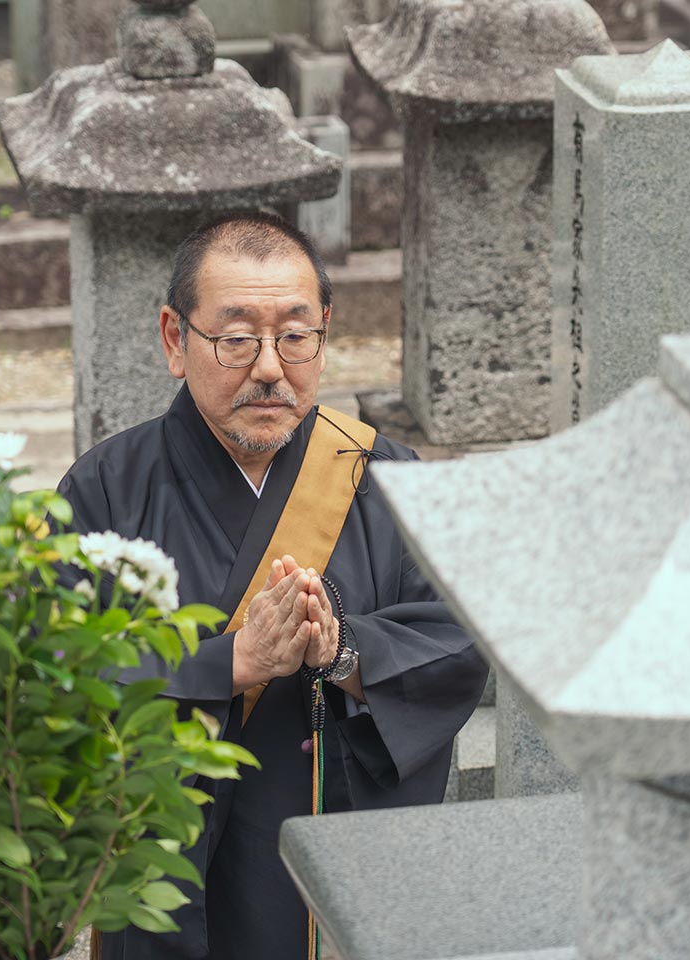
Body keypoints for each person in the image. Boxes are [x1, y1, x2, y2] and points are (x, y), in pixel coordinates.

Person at [55, 212, 489, 960]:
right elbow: (57, 677)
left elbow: (457, 646)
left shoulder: (384, 477)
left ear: (324, 332)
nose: (268, 367)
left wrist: (345, 652)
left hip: (339, 863)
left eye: (294, 336)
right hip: (176, 884)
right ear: (173, 339)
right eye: (236, 338)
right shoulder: (105, 491)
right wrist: (232, 663)